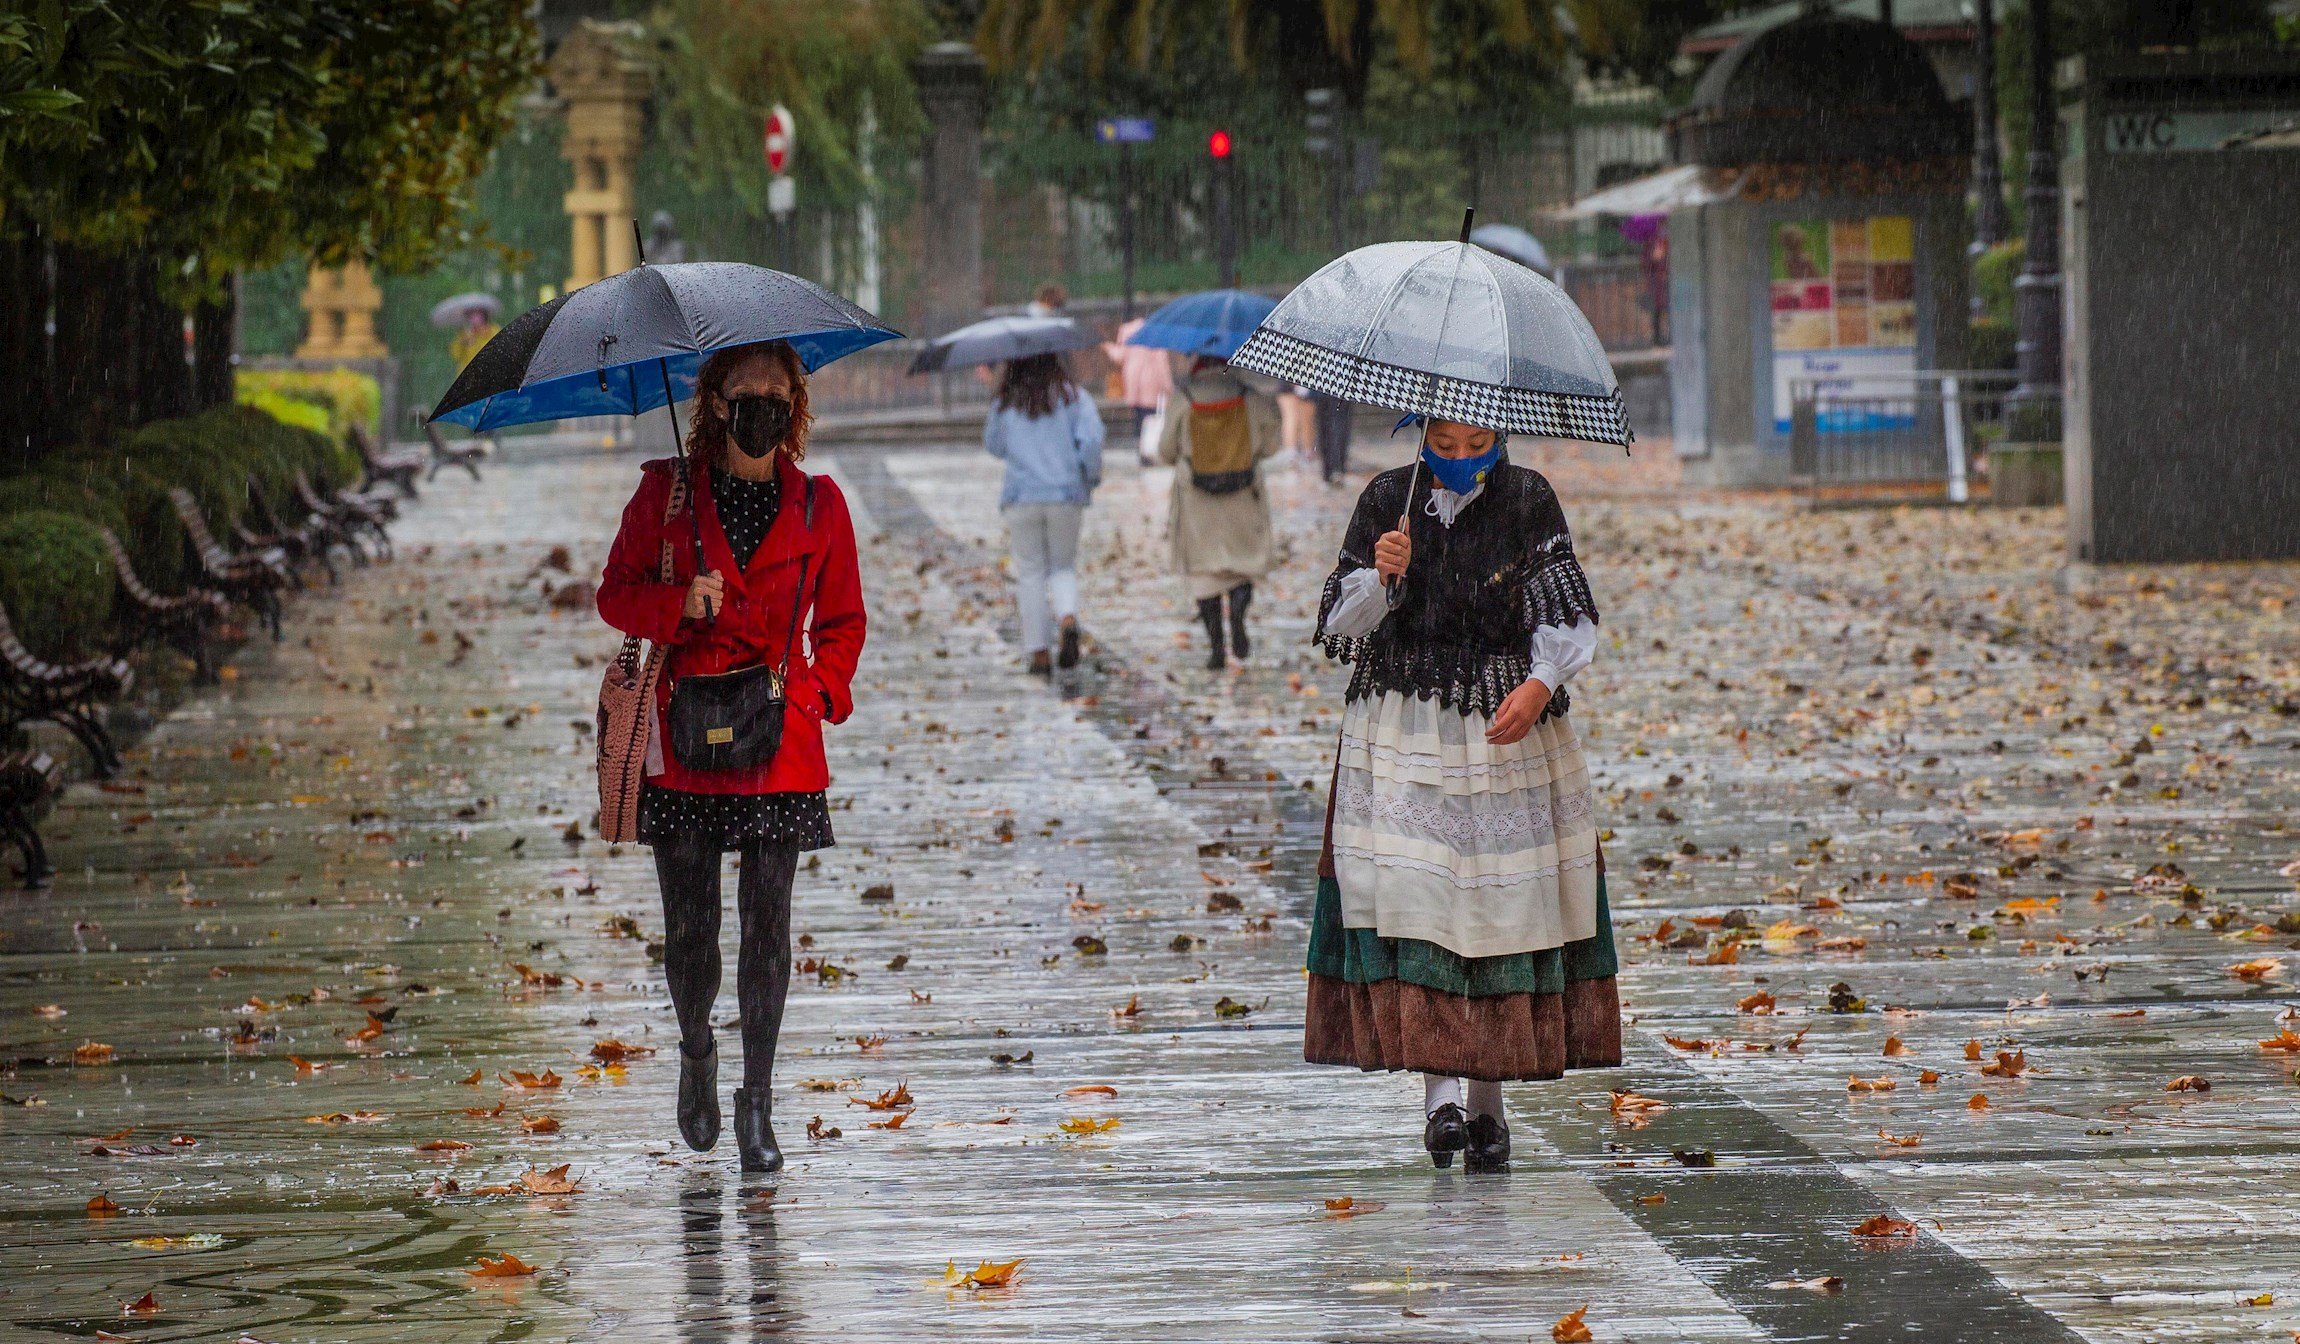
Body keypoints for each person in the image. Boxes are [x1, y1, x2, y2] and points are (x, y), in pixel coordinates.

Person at [1303, 415, 1621, 1174]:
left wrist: (1542, 682)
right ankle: (1438, 1098)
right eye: (1442, 447)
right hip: (1402, 726)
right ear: (1420, 436)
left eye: (1475, 446)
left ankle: (1487, 1103)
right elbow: (1338, 621)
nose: (1459, 459)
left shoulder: (1528, 500)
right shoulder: (1389, 498)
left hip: (1502, 728)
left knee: (1496, 910)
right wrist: (1380, 577)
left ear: (1499, 438)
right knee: (1417, 901)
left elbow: (1565, 613)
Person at [596, 340, 868, 1175]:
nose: (763, 409)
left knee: (768, 929)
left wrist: (820, 693)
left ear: (796, 406)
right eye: (746, 393)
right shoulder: (664, 496)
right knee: (691, 933)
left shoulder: (821, 506)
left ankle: (758, 1100)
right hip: (684, 741)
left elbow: (844, 622)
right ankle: (695, 1049)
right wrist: (681, 601)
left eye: (777, 395)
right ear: (714, 401)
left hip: (779, 742)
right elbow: (613, 594)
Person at [1154, 356, 1280, 669]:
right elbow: (1272, 446)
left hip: (1197, 499)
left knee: (1204, 571)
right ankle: (1238, 612)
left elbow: (1165, 450)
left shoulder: (1184, 399)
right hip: (1242, 493)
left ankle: (1215, 647)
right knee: (1241, 561)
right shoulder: (1251, 397)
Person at [983, 352, 1104, 676]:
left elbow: (993, 444)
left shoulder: (1007, 401)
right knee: (1063, 566)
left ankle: (1038, 652)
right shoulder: (1075, 397)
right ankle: (1066, 617)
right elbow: (1091, 442)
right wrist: (1088, 478)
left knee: (1031, 573)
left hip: (1022, 496)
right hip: (1065, 494)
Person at [1102, 316, 1174, 465]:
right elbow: (1162, 363)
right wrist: (1168, 387)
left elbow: (1119, 356)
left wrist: (1108, 346)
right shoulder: (1155, 332)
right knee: (1150, 418)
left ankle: (1142, 452)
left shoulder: (1126, 330)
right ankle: (1148, 451)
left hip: (1133, 380)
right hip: (1151, 381)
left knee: (1140, 417)